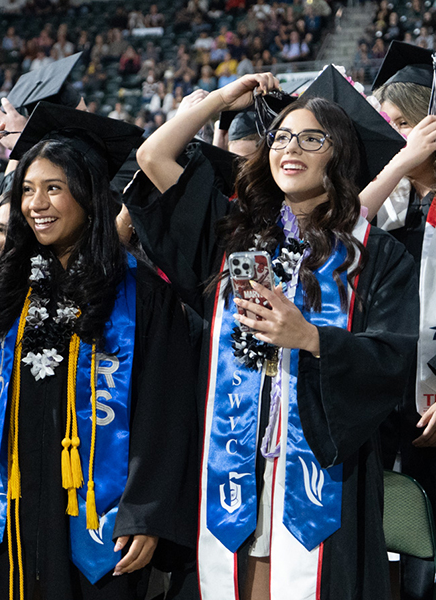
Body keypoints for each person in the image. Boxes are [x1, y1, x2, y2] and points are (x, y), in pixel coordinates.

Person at [127, 70, 417, 599]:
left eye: (311, 139)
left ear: (340, 155)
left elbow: (392, 360)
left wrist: (312, 338)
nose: (291, 148)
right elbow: (153, 157)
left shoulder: (374, 257)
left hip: (320, 472)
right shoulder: (233, 236)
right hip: (229, 461)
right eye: (281, 137)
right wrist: (220, 100)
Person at [0, 103, 199, 599]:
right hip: (2, 501)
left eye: (53, 188)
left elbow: (165, 410)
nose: (37, 204)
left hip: (95, 511)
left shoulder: (141, 295)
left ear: (89, 196)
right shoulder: (5, 284)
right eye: (27, 190)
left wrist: (146, 513)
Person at [360, 41, 436, 600]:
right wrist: (401, 163)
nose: (393, 137)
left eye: (402, 124)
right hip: (390, 403)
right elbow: (339, 231)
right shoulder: (393, 202)